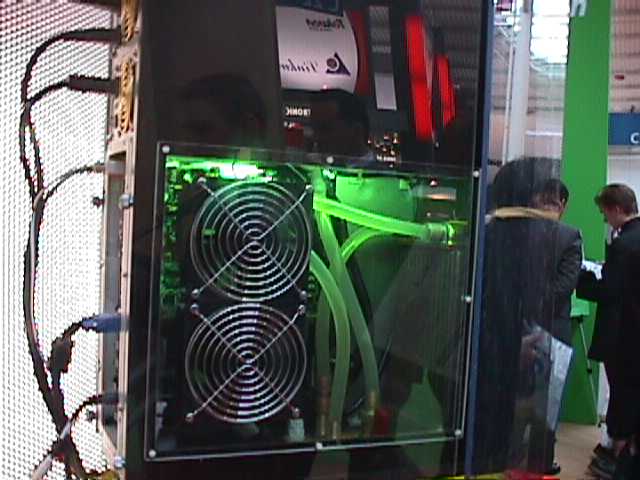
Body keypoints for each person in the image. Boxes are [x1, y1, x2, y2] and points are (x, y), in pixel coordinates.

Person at [473, 159, 581, 475]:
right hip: (525, 338)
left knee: (536, 419)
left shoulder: (487, 233)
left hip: (532, 336)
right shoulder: (541, 236)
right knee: (522, 419)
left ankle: (533, 465)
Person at [577, 184, 640, 479]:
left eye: (605, 213)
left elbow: (611, 291)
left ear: (616, 209)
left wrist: (581, 278)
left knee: (622, 396)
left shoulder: (623, 245)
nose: (605, 219)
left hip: (623, 336)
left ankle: (618, 458)